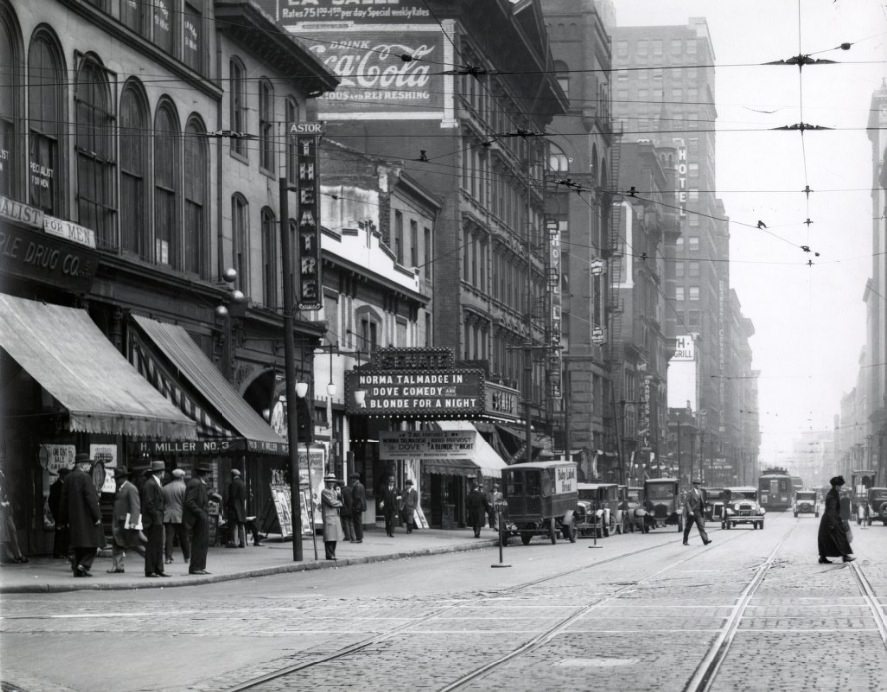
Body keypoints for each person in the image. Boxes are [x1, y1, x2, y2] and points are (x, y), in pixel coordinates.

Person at [59, 453, 102, 577]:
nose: (90, 467)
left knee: (77, 545)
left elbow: (63, 501)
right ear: (82, 465)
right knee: (95, 543)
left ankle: (78, 571)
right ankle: (84, 565)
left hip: (73, 519)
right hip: (86, 518)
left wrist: (62, 520)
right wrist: (97, 517)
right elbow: (91, 499)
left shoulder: (68, 478)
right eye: (88, 464)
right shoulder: (85, 478)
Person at [108, 467, 145, 573]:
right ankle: (118, 566)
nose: (115, 480)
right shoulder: (120, 487)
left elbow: (135, 506)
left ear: (123, 478)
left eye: (117, 478)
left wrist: (134, 522)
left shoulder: (130, 488)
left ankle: (151, 560)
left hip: (126, 522)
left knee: (136, 544)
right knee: (117, 544)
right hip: (119, 522)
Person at [140, 460, 169, 578]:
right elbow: (149, 503)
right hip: (152, 521)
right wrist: (156, 516)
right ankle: (151, 569)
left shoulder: (155, 483)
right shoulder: (150, 484)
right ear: (161, 472)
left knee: (158, 545)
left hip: (156, 519)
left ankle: (158, 568)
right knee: (152, 545)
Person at [818, 475, 855, 563]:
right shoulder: (832, 496)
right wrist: (833, 523)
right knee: (840, 537)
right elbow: (831, 510)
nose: (840, 488)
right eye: (839, 486)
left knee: (826, 539)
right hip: (831, 520)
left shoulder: (833, 493)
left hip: (829, 519)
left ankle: (823, 557)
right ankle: (845, 556)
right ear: (836, 486)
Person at [184, 463, 211, 575]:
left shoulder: (199, 483)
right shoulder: (196, 484)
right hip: (198, 518)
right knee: (199, 542)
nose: (208, 477)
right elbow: (190, 501)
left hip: (200, 516)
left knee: (202, 542)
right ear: (204, 474)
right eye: (208, 474)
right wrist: (201, 513)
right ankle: (196, 567)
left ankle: (200, 566)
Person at [162, 468, 189, 564]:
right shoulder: (184, 488)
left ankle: (168, 558)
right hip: (180, 515)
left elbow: (162, 502)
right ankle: (187, 557)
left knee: (169, 538)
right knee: (184, 537)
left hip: (168, 515)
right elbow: (186, 503)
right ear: (181, 477)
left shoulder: (165, 487)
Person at [0, 469, 27, 564]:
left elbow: (6, 492)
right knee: (3, 534)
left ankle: (17, 554)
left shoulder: (2, 475)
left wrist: (7, 502)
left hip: (6, 510)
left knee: (12, 531)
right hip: (2, 509)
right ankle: (10, 556)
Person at [321, 474, 344, 560]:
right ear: (326, 483)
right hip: (329, 516)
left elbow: (337, 500)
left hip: (335, 516)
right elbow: (331, 502)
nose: (331, 484)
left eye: (333, 482)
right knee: (329, 537)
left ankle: (332, 553)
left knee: (335, 537)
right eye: (329, 482)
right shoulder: (325, 491)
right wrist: (340, 503)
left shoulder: (334, 492)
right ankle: (329, 554)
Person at [48, 468, 70, 559]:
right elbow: (52, 501)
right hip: (59, 514)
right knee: (60, 533)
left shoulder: (66, 486)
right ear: (62, 475)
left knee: (65, 533)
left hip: (66, 514)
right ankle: (58, 552)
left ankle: (64, 551)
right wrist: (55, 514)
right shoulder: (55, 486)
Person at [682, 480, 712, 546]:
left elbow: (701, 502)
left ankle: (705, 540)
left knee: (701, 527)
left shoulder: (700, 492)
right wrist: (690, 511)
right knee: (688, 527)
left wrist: (703, 508)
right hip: (692, 513)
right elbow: (687, 502)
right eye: (698, 484)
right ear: (694, 485)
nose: (699, 485)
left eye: (699, 484)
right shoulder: (690, 493)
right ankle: (685, 541)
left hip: (698, 512)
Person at [225, 469, 247, 549]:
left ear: (232, 475)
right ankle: (242, 542)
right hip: (241, 506)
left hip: (234, 507)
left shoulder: (233, 483)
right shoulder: (242, 483)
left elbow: (232, 496)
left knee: (234, 525)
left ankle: (234, 542)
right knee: (241, 525)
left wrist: (227, 504)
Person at [350, 473, 366, 543]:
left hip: (357, 507)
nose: (352, 480)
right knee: (358, 522)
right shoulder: (361, 485)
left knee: (357, 523)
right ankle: (359, 537)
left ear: (355, 479)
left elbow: (356, 498)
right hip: (360, 506)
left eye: (352, 479)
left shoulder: (356, 486)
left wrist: (354, 506)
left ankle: (358, 538)